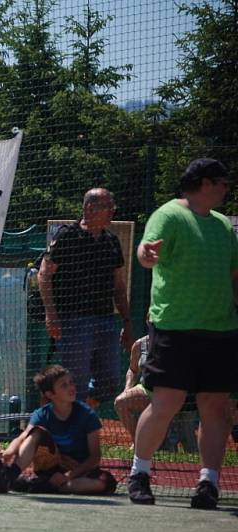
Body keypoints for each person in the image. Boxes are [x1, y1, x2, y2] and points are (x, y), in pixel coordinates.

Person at [128, 158, 238, 510]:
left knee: (216, 408)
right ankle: (139, 474)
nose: (227, 188)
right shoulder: (169, 215)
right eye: (223, 182)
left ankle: (208, 483)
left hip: (220, 330)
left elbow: (234, 276)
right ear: (205, 182)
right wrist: (145, 254)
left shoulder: (223, 226)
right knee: (166, 404)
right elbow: (146, 253)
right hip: (174, 327)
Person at [38, 188, 133, 404]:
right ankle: (70, 427)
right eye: (108, 207)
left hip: (105, 321)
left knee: (110, 382)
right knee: (76, 384)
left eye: (113, 208)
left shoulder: (111, 241)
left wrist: (127, 322)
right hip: (72, 322)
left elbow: (119, 286)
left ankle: (72, 412)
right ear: (90, 208)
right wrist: (50, 314)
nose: (112, 212)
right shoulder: (67, 235)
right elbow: (44, 275)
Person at [0, 365, 117, 495]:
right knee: (36, 432)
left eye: (71, 382)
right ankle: (9, 475)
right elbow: (22, 438)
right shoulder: (41, 414)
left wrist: (68, 476)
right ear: (50, 394)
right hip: (50, 467)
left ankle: (39, 485)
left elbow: (95, 457)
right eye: (63, 385)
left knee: (104, 482)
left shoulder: (87, 414)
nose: (71, 387)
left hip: (78, 471)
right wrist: (7, 453)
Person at [114, 335, 151, 444]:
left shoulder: (174, 340)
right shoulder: (140, 344)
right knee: (121, 402)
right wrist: (128, 388)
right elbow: (132, 369)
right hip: (147, 390)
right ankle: (138, 442)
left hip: (169, 394)